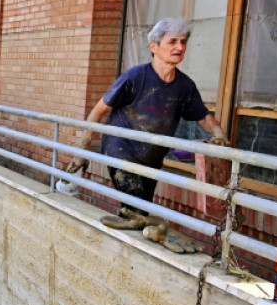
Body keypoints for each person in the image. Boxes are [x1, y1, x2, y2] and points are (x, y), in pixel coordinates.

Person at [67, 18, 228, 252]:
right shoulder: (135, 77)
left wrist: (218, 133)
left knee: (138, 210)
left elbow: (202, 116)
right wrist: (82, 148)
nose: (179, 47)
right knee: (135, 207)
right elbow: (100, 109)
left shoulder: (185, 86)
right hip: (121, 149)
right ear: (154, 46)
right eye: (172, 41)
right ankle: (144, 239)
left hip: (151, 158)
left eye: (183, 42)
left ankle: (134, 244)